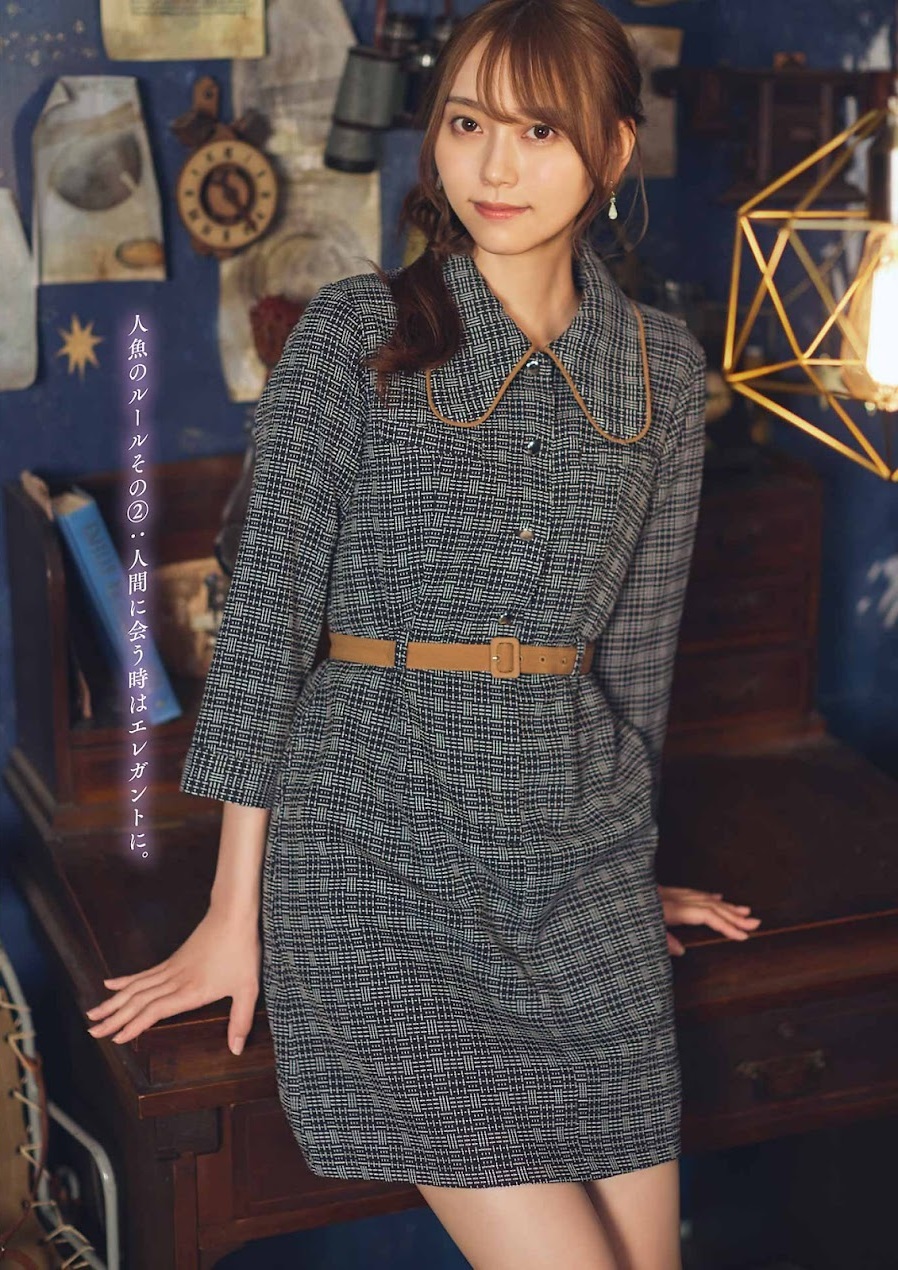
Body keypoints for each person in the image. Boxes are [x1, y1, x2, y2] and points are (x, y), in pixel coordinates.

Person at [84, 1, 763, 1266]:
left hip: (579, 869)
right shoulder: (355, 335)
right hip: (375, 855)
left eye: (539, 131)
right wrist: (235, 913)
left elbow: (636, 660)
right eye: (466, 123)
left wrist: (631, 869)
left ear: (614, 149)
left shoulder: (663, 370)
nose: (494, 165)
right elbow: (268, 626)